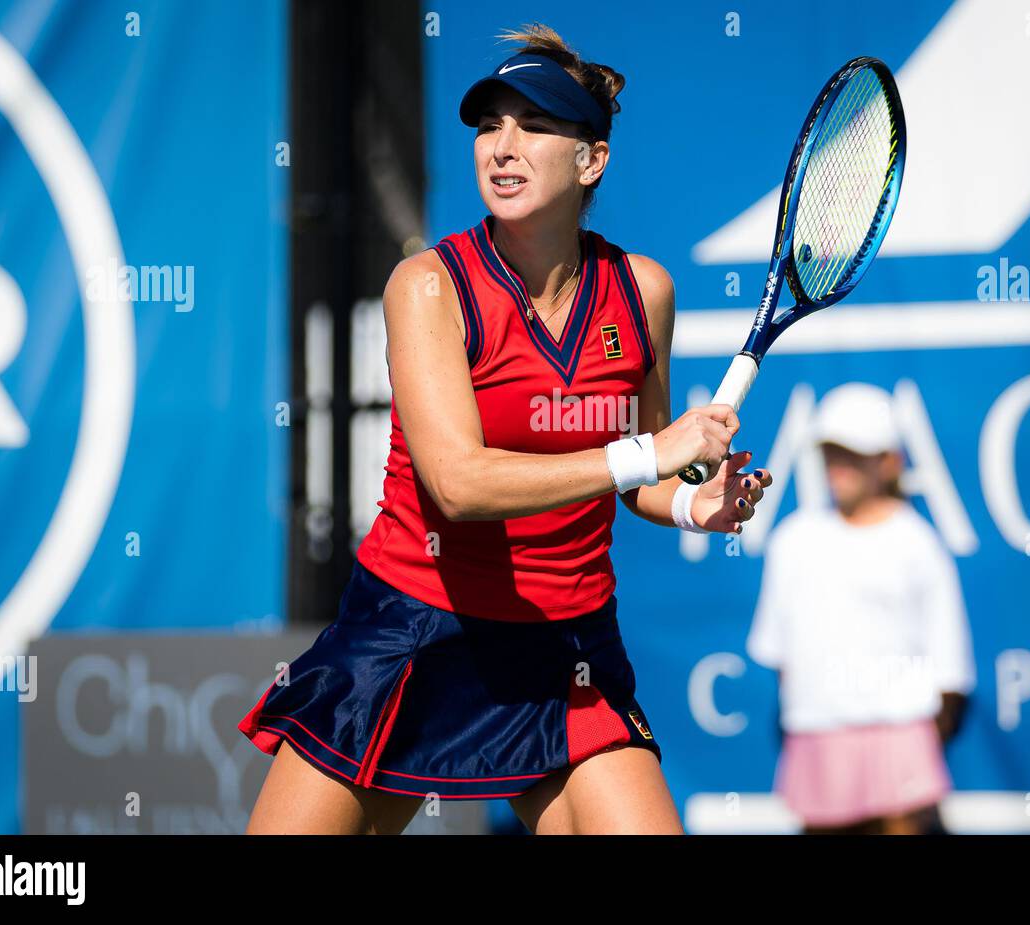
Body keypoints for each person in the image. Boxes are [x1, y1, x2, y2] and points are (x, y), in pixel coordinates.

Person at [239, 23, 774, 835]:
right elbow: (460, 484)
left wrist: (699, 503)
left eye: (536, 124)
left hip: (568, 647)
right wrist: (646, 455)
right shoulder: (426, 287)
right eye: (491, 124)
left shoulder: (642, 291)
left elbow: (652, 477)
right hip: (412, 628)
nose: (503, 145)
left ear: (592, 159)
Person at [746, 383, 974, 835]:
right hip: (816, 738)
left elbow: (951, 672)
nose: (839, 466)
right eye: (832, 452)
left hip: (901, 737)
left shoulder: (919, 544)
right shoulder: (792, 540)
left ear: (890, 462)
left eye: (854, 453)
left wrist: (912, 745)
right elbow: (780, 657)